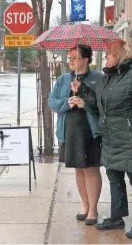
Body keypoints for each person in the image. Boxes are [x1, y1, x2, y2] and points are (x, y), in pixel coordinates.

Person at [72, 40, 132, 239]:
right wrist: (83, 90)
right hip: (111, 137)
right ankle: (116, 217)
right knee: (114, 178)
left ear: (118, 55)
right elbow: (100, 105)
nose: (105, 56)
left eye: (108, 53)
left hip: (131, 137)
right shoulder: (107, 77)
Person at [49, 44, 103, 226]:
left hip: (90, 130)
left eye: (75, 58)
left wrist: (85, 103)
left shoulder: (99, 78)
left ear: (86, 59)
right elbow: (52, 102)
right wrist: (67, 102)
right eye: (70, 57)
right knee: (79, 169)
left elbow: (103, 105)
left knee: (91, 169)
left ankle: (93, 210)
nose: (70, 61)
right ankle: (85, 206)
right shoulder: (64, 79)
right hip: (69, 131)